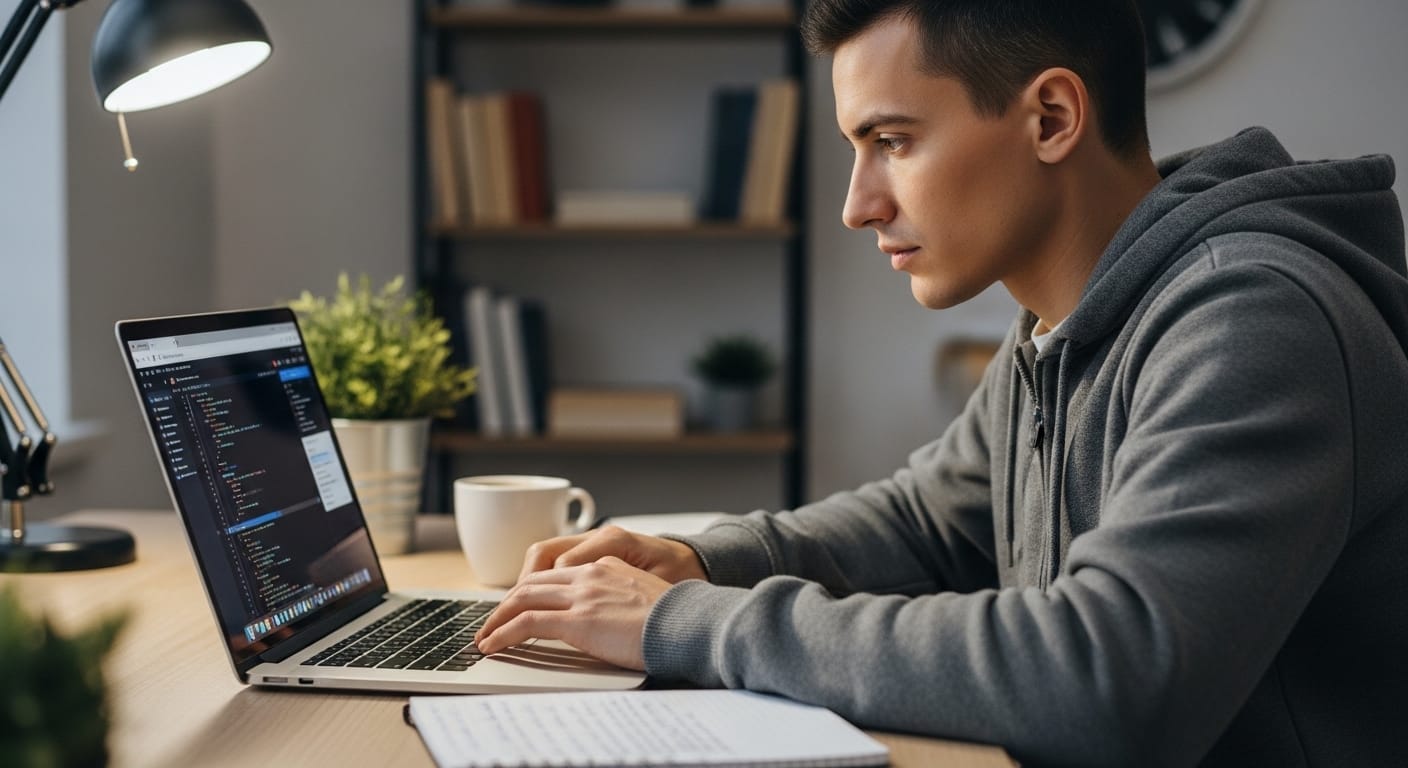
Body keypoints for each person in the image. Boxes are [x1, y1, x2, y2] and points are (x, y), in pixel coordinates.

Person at [474, 1, 1408, 764]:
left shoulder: (1253, 320)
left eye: (893, 139)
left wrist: (685, 623)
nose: (857, 203)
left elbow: (1114, 676)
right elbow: (928, 522)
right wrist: (706, 561)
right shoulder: (1066, 321)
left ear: (1050, 118)